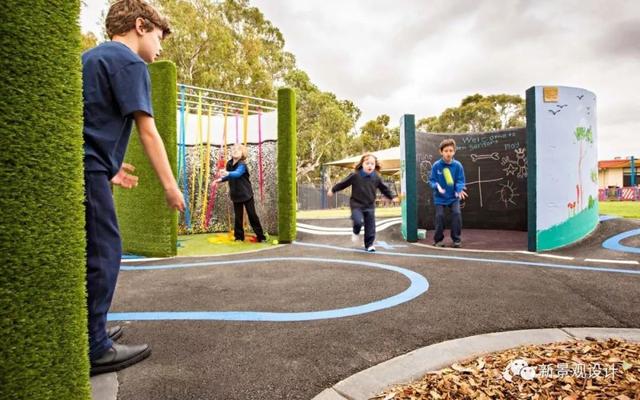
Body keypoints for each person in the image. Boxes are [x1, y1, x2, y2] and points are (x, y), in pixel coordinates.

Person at [82, 0, 185, 375]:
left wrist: (109, 168)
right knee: (105, 254)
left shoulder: (91, 58)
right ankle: (95, 346)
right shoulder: (129, 62)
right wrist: (171, 187)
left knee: (91, 251)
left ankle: (90, 331)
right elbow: (148, 131)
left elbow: (88, 123)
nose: (160, 47)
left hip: (88, 168)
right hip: (91, 170)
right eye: (159, 36)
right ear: (141, 26)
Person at [327, 153, 398, 252]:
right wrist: (333, 190)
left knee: (370, 226)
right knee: (358, 221)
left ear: (375, 165)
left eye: (372, 164)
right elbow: (343, 183)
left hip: (370, 206)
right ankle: (356, 231)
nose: (370, 165)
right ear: (362, 164)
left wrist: (392, 197)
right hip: (357, 205)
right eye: (367, 163)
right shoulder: (355, 176)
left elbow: (384, 188)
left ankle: (369, 245)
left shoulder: (376, 178)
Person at [215, 144, 267, 242]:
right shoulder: (229, 164)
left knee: (252, 215)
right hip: (236, 194)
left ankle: (261, 236)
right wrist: (220, 179)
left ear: (242, 153)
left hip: (247, 194)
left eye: (238, 150)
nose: (235, 150)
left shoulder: (242, 164)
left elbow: (237, 173)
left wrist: (228, 173)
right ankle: (239, 237)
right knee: (238, 217)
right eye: (233, 149)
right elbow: (229, 176)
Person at [428, 138, 467, 248]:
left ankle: (456, 240)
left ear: (454, 151)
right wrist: (437, 186)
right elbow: (432, 180)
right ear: (441, 152)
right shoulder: (436, 165)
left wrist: (458, 190)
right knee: (439, 216)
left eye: (450, 150)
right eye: (446, 151)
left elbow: (460, 180)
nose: (448, 153)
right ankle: (438, 240)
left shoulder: (458, 165)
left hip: (454, 197)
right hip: (440, 198)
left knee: (457, 214)